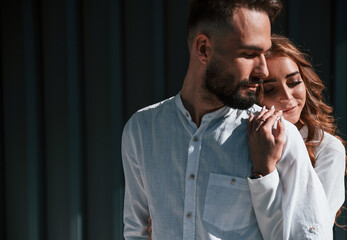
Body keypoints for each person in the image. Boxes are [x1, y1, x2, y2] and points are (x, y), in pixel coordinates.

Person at [122, 0, 333, 239]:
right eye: (250, 54)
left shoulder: (279, 136)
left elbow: (310, 234)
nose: (263, 71)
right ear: (203, 49)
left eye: (265, 54)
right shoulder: (142, 130)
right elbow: (136, 231)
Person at [248, 34, 347, 226]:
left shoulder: (327, 150)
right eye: (271, 89)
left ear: (305, 81)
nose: (287, 96)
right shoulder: (242, 136)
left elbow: (312, 229)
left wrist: (265, 170)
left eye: (293, 82)